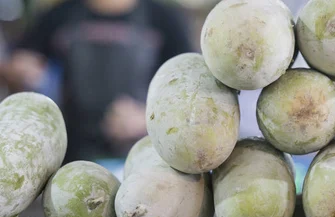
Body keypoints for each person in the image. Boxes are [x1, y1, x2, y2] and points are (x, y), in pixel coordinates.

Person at [1, 0, 193, 162]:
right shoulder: (58, 15)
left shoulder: (165, 19)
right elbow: (18, 64)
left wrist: (148, 119)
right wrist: (19, 69)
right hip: (71, 154)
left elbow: (189, 92)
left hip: (143, 157)